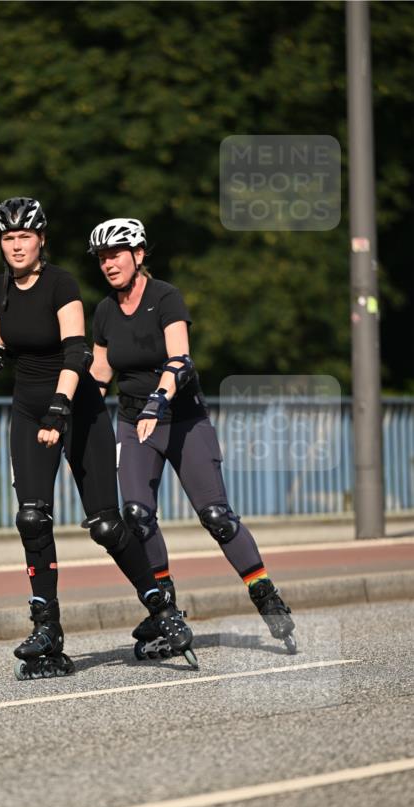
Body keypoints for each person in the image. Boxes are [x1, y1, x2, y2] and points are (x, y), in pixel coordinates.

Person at [0, 198, 198, 679]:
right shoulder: (0, 290)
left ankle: (162, 610)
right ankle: (47, 629)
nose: (16, 246)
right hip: (28, 410)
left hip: (77, 410)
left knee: (105, 524)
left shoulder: (62, 284)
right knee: (31, 518)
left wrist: (60, 409)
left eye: (24, 236)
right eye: (8, 238)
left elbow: (77, 352)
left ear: (41, 239)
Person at [87, 217, 297, 655]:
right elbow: (100, 374)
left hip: (182, 419)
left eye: (116, 254)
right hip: (134, 423)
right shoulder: (104, 310)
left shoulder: (165, 297)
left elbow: (180, 360)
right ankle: (165, 609)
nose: (108, 264)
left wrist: (157, 402)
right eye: (102, 257)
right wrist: (70, 409)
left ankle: (265, 594)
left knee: (216, 516)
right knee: (137, 516)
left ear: (138, 254)